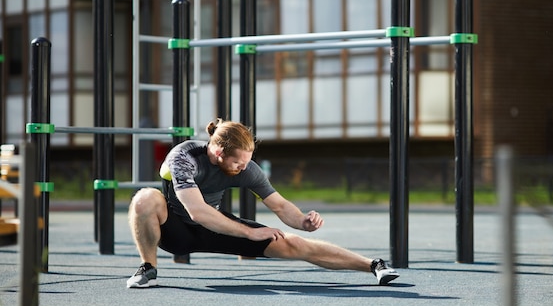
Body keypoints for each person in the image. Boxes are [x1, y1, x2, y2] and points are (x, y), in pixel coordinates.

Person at [126, 119, 399, 288]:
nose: (244, 168)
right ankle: (148, 266)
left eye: (247, 161)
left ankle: (373, 265)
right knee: (145, 198)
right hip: (174, 228)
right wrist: (250, 232)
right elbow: (197, 212)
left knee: (294, 244)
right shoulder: (184, 157)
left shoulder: (246, 167)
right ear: (218, 152)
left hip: (216, 227)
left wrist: (302, 220)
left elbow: (280, 205)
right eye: (238, 162)